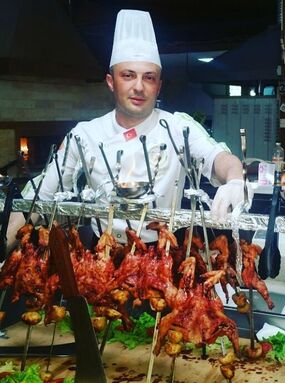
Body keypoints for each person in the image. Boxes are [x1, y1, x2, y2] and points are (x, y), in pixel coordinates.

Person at [6, 10, 252, 246]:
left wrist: (234, 180)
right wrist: (4, 245)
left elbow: (220, 158)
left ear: (158, 86)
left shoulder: (178, 127)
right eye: (128, 75)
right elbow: (41, 195)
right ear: (111, 82)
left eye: (149, 77)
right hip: (103, 255)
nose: (139, 87)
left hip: (165, 253)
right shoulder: (84, 134)